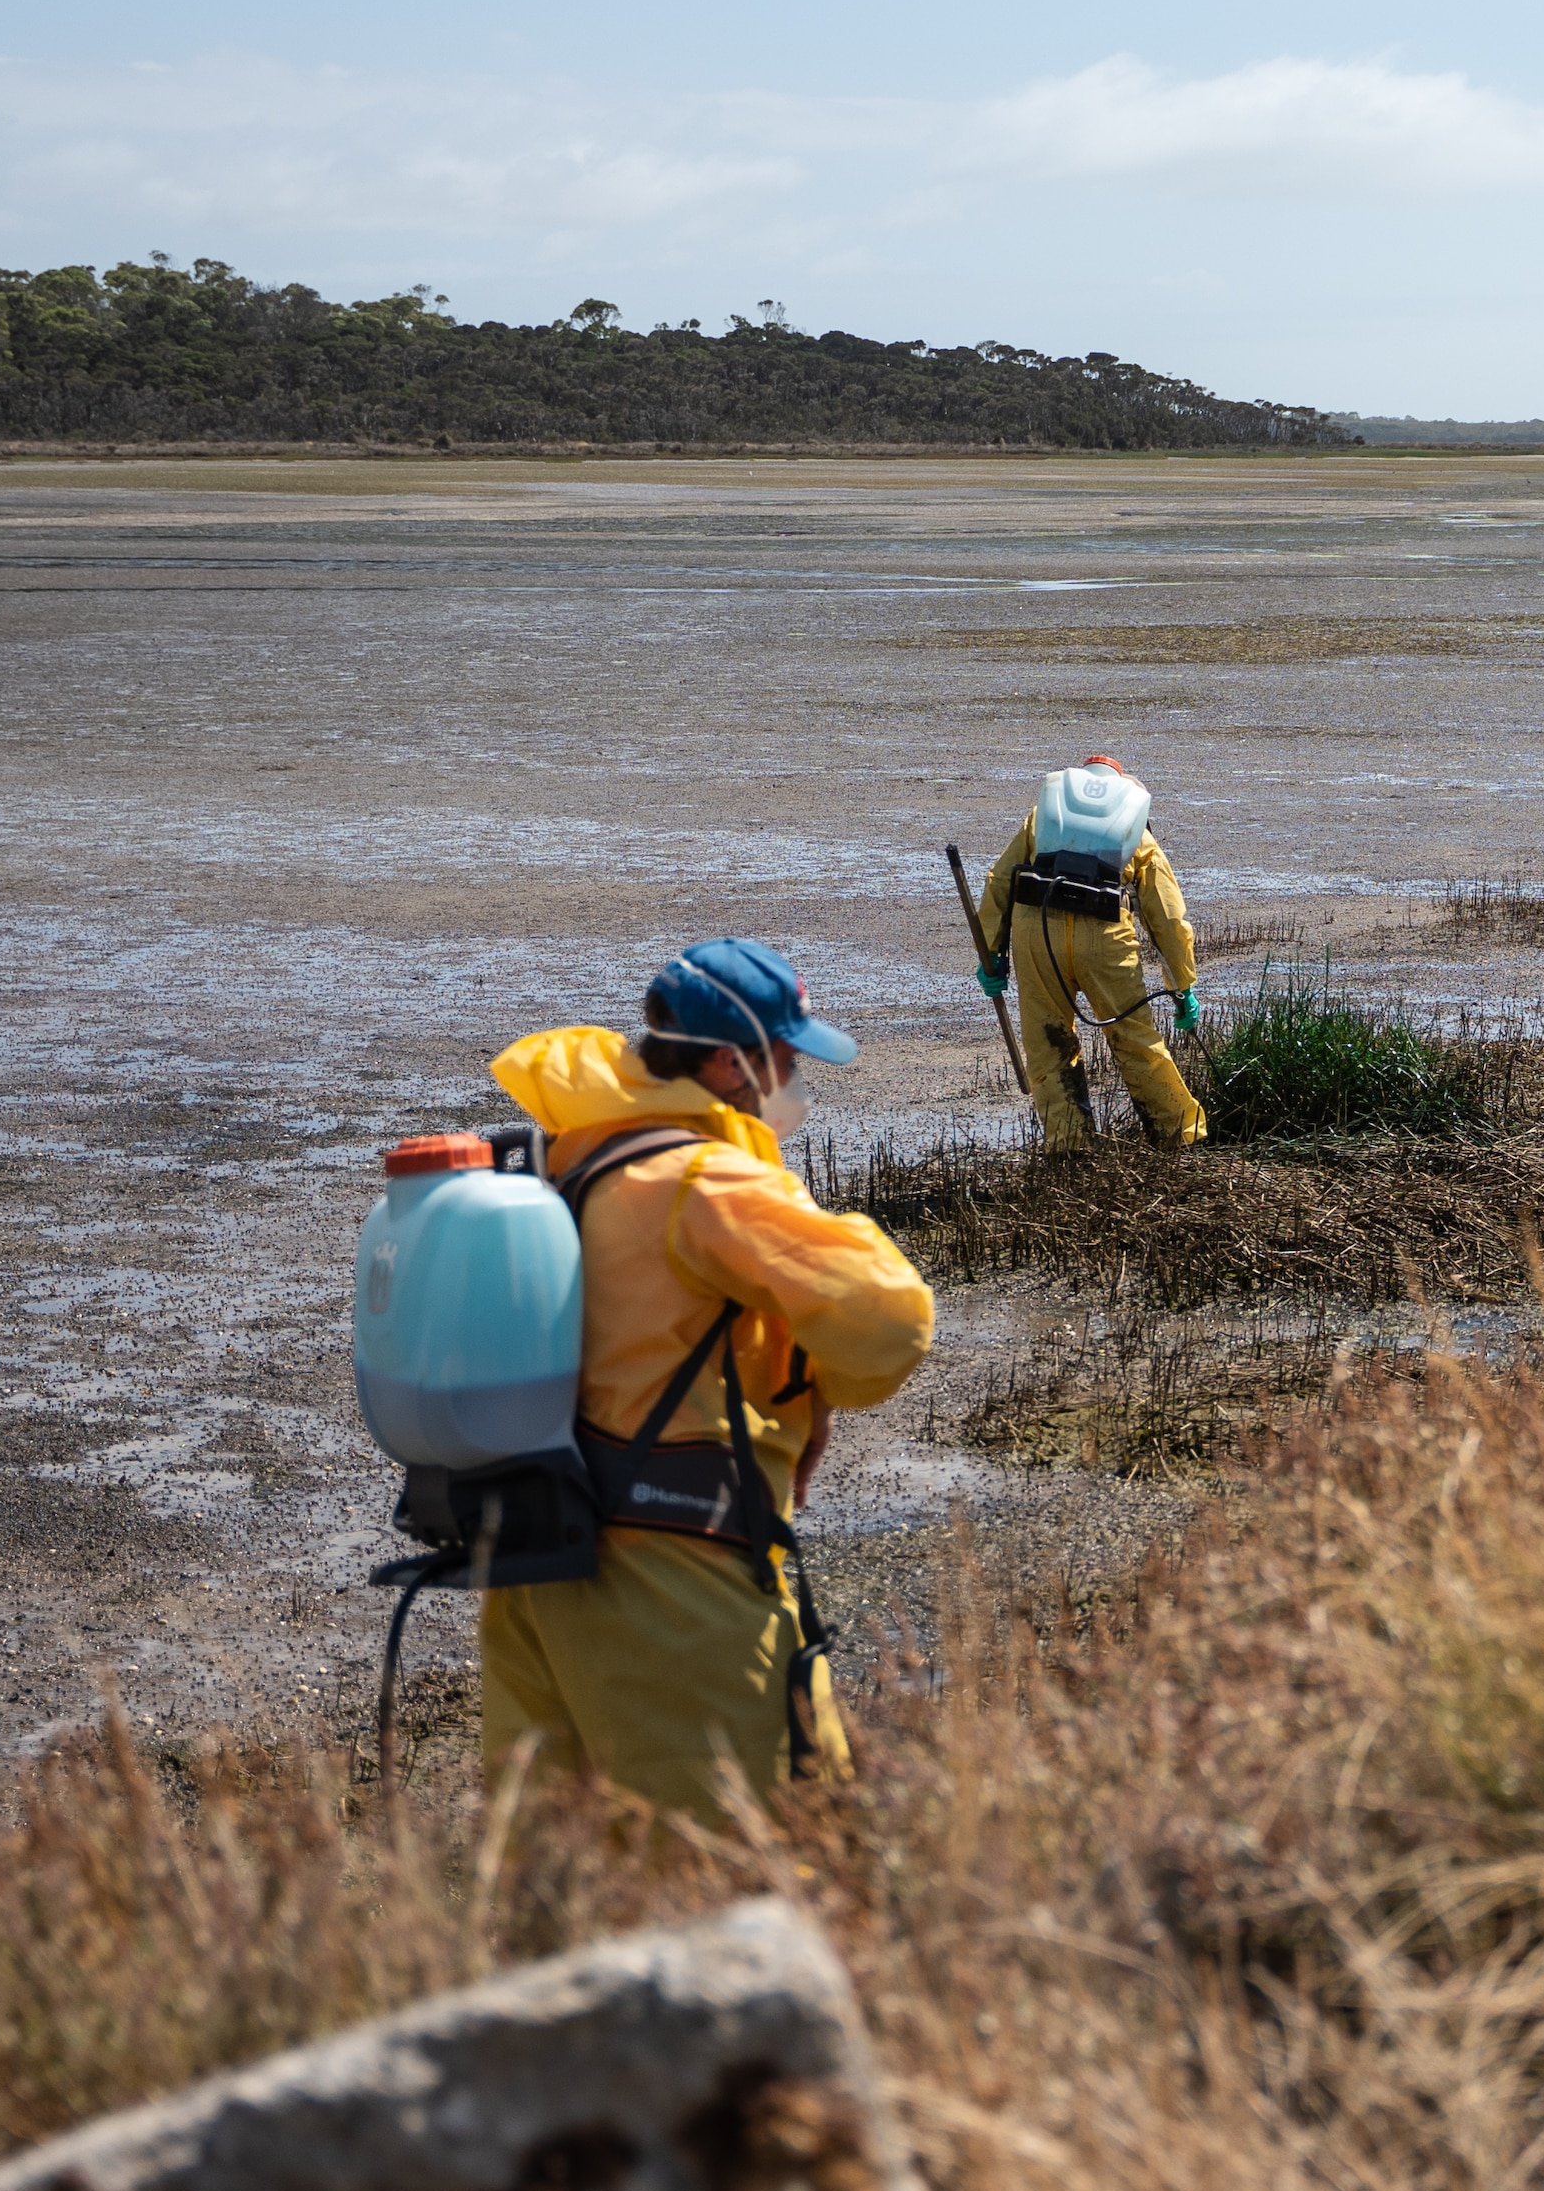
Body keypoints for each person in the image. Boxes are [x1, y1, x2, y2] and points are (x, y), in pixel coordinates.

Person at [477, 939, 934, 1818]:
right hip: (673, 1578)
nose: (794, 1079)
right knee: (771, 1847)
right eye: (789, 1058)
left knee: (568, 1880)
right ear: (734, 1062)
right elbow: (891, 1317)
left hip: (539, 1572)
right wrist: (820, 1378)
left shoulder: (572, 1162)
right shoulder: (703, 1178)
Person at [975, 754, 1208, 1148]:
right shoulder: (1137, 829)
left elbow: (1001, 880)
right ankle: (1181, 1137)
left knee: (1048, 1043)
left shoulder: (1042, 817)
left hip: (1037, 933)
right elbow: (1166, 914)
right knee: (1136, 1040)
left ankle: (1070, 1147)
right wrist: (1182, 984)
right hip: (1104, 937)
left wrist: (990, 951)